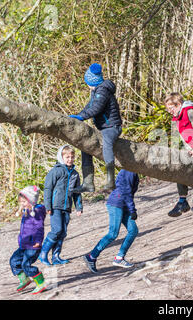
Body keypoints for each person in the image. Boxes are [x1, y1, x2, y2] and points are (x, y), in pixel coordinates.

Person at [69, 63, 123, 193]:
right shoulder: (96, 91)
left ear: (92, 81)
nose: (86, 85)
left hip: (112, 127)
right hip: (103, 128)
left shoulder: (102, 90)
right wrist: (78, 115)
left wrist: (82, 117)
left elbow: (96, 108)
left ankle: (110, 181)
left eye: (87, 82)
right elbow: (89, 106)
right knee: (85, 145)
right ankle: (88, 183)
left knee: (107, 144)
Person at [83, 169, 139, 273]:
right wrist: (132, 210)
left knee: (133, 230)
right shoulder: (129, 170)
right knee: (113, 234)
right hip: (116, 204)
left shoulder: (134, 171)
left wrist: (130, 208)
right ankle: (91, 256)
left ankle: (119, 258)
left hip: (124, 205)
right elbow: (126, 191)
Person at [39, 145, 83, 266]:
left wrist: (79, 207)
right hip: (55, 206)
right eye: (67, 157)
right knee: (56, 229)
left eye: (72, 157)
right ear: (61, 157)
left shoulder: (75, 174)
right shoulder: (56, 171)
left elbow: (77, 192)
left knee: (63, 232)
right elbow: (48, 188)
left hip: (67, 207)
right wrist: (48, 206)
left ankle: (56, 256)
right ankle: (43, 253)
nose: (70, 159)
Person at [9, 186, 47, 294]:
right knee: (14, 260)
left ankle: (41, 283)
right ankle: (24, 279)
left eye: (24, 201)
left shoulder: (37, 211)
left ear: (31, 200)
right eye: (21, 202)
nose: (22, 204)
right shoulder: (27, 210)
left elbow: (39, 228)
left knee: (26, 265)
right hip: (24, 244)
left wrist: (38, 241)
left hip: (33, 245)